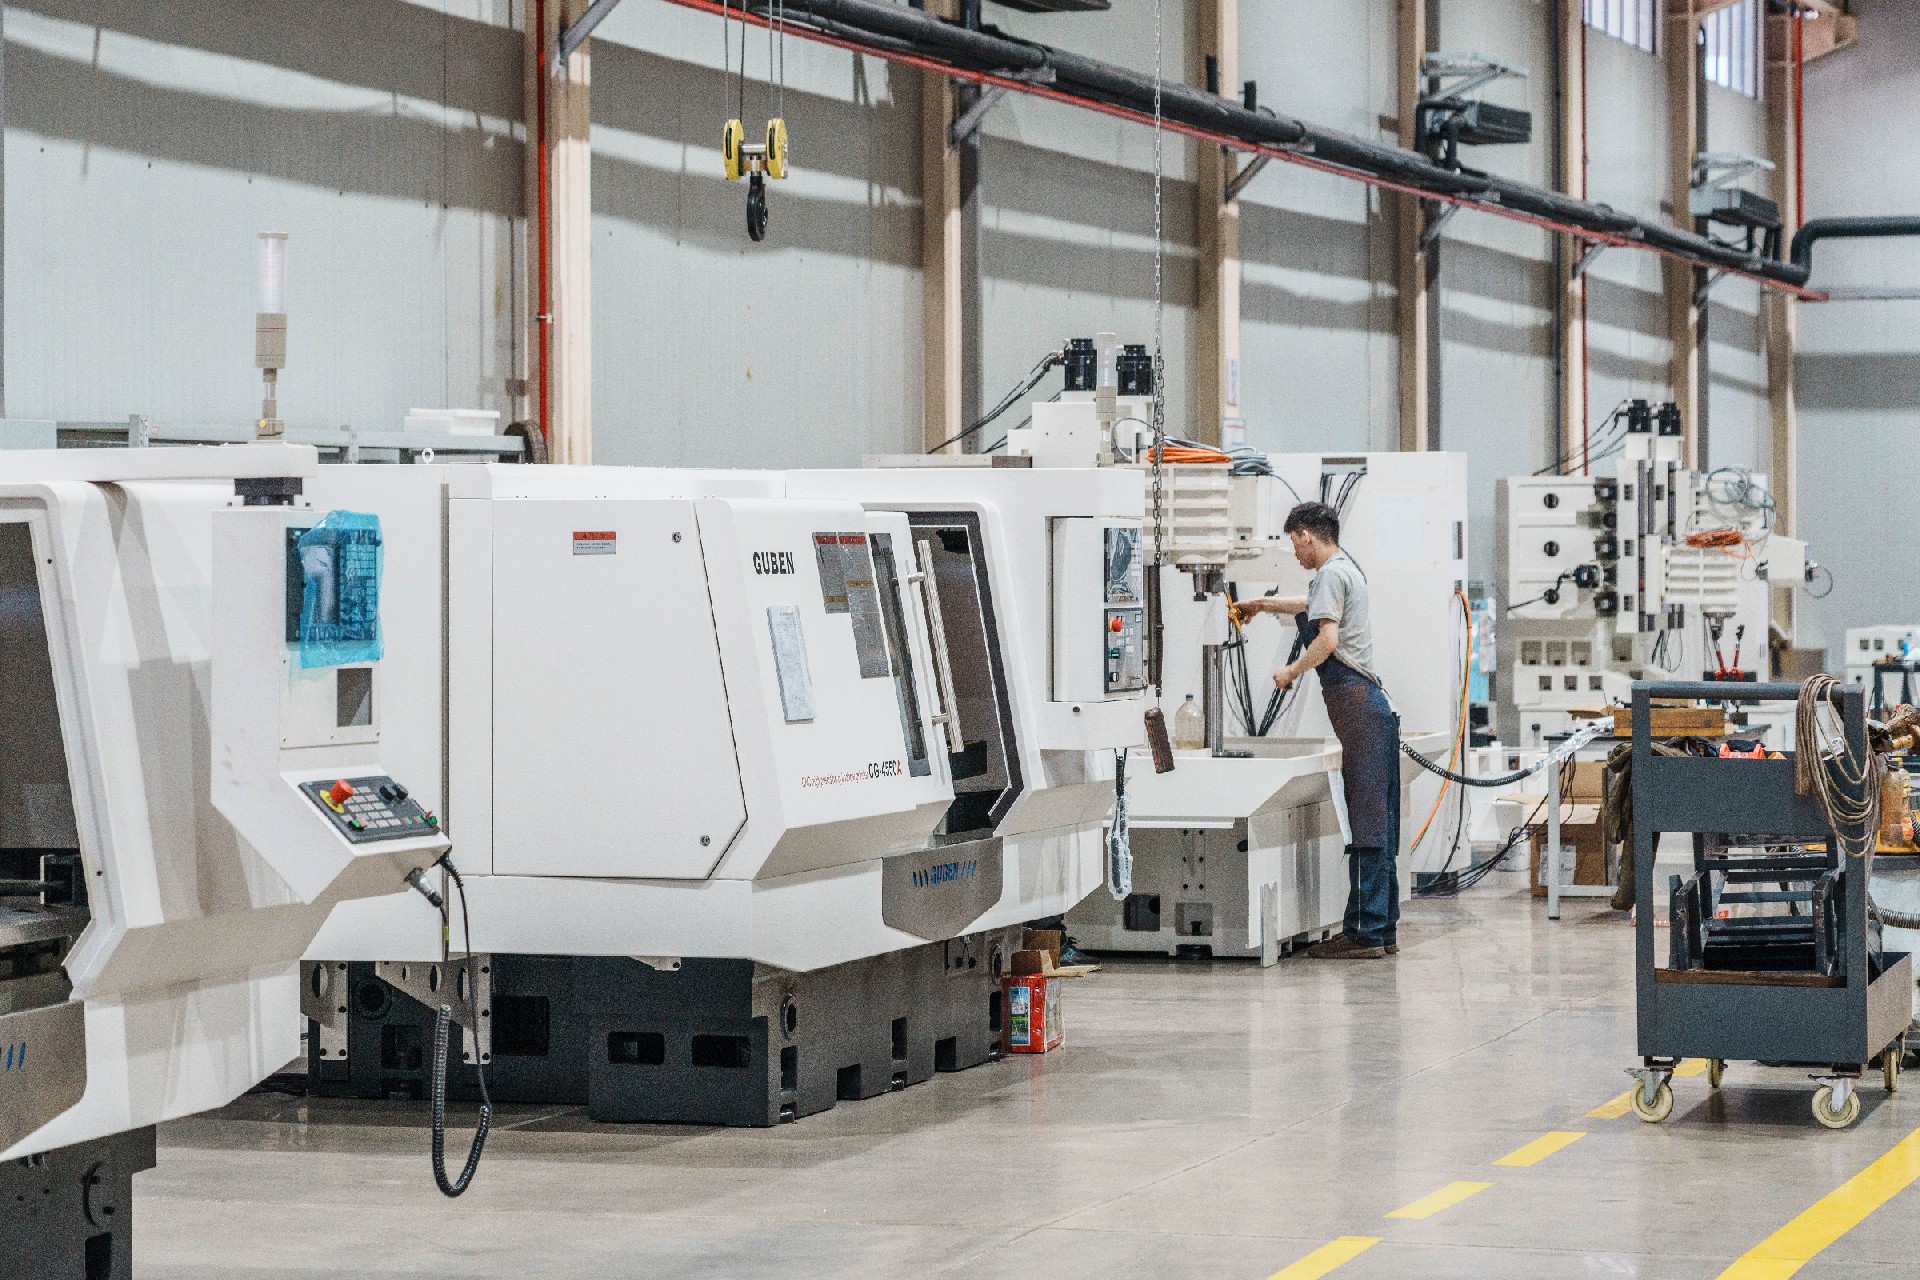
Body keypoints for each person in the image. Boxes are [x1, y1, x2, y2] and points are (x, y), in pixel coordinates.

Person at [1232, 501, 1400, 959]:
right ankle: (1382, 928)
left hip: (1358, 706)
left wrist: (1290, 671)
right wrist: (1262, 604)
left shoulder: (1329, 575)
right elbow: (1311, 606)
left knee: (1366, 821)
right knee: (1379, 819)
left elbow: (1327, 640)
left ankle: (1364, 933)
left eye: (1294, 544)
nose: (1295, 553)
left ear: (1306, 535)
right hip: (1373, 708)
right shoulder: (1347, 570)